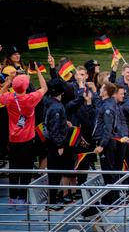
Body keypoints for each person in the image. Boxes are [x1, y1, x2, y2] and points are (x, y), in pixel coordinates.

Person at [0, 68, 47, 207]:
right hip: (27, 141)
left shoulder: (9, 98)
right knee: (26, 169)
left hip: (13, 141)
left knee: (14, 169)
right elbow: (44, 87)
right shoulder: (30, 98)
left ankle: (12, 198)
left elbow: (1, 94)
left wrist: (7, 83)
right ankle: (23, 198)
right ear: (26, 86)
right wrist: (38, 72)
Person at [44, 78, 75, 210]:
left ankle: (54, 199)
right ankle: (51, 203)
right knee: (55, 173)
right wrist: (59, 145)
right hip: (55, 145)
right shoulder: (56, 107)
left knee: (54, 172)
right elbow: (54, 128)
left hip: (51, 143)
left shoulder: (48, 102)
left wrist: (64, 124)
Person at [93, 82, 120, 206]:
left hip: (107, 144)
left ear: (105, 92)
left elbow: (108, 129)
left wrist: (102, 145)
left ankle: (112, 199)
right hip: (107, 142)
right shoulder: (107, 103)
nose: (100, 89)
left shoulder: (108, 107)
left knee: (108, 171)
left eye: (102, 88)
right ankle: (111, 197)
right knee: (108, 170)